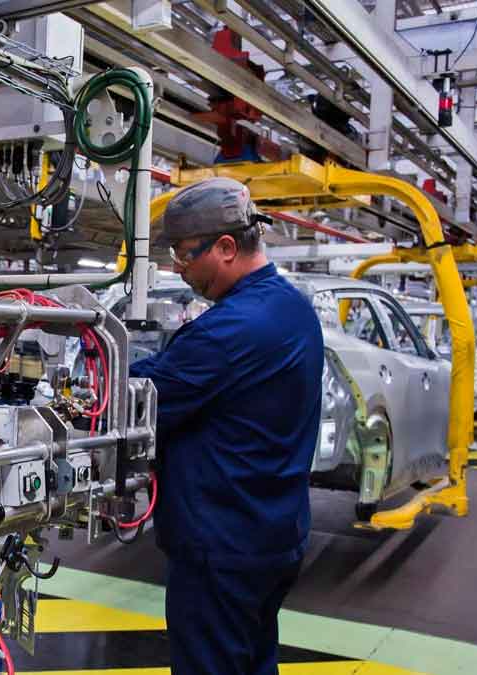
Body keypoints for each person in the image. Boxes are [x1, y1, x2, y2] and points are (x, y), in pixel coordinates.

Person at [129, 177, 323, 675]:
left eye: (185, 256)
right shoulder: (293, 307)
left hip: (223, 547)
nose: (179, 268)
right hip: (275, 535)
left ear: (226, 247)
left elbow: (144, 393)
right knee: (255, 662)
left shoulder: (234, 327)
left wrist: (88, 358)